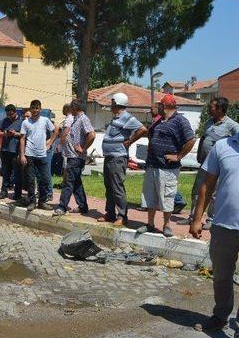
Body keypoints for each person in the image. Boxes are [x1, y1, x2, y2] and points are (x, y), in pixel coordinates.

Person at [189, 129, 239, 338]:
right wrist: (197, 218)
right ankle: (220, 316)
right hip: (224, 225)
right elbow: (207, 185)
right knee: (221, 275)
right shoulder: (223, 146)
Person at [137, 94, 195, 237]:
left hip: (167, 168)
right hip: (152, 165)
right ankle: (150, 224)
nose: (157, 107)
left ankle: (166, 225)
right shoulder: (159, 121)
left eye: (159, 105)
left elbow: (191, 140)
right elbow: (151, 135)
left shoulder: (180, 120)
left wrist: (178, 156)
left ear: (165, 106)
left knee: (167, 197)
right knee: (150, 196)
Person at [178, 97, 239, 229]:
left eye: (211, 107)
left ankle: (211, 219)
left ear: (220, 109)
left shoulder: (232, 126)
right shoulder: (209, 122)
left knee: (214, 193)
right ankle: (193, 217)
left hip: (219, 167)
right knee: (197, 190)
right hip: (205, 164)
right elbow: (204, 139)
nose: (209, 109)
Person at [99, 93, 147, 226]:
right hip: (109, 157)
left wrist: (130, 141)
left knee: (117, 187)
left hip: (118, 158)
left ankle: (122, 216)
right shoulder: (116, 118)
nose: (110, 104)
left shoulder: (126, 117)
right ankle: (110, 213)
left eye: (112, 101)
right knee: (109, 187)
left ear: (118, 103)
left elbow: (142, 129)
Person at [53, 99, 95, 216]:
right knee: (76, 183)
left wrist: (83, 148)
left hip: (76, 157)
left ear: (75, 107)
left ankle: (62, 207)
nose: (70, 109)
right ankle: (83, 206)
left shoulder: (83, 119)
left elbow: (92, 134)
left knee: (68, 182)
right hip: (72, 156)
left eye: (71, 107)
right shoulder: (76, 119)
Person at [20, 99, 57, 211]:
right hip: (29, 154)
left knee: (45, 179)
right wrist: (22, 155)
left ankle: (42, 201)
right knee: (31, 180)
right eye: (33, 108)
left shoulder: (45, 120)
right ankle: (32, 202)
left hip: (42, 155)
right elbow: (22, 139)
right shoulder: (26, 122)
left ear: (40, 109)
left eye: (37, 108)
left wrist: (50, 143)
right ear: (30, 109)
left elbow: (56, 130)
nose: (35, 110)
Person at [0, 104, 24, 200]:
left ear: (15, 112)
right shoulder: (4, 121)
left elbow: (24, 135)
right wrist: (4, 133)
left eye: (11, 114)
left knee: (17, 173)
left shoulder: (21, 122)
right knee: (5, 173)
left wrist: (15, 133)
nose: (9, 116)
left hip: (16, 151)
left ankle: (17, 193)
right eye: (8, 114)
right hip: (5, 150)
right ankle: (4, 191)